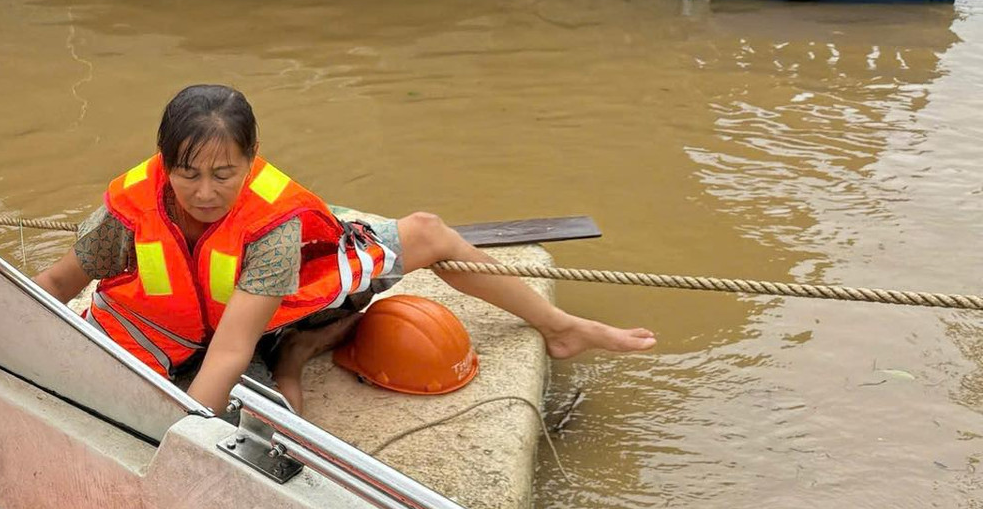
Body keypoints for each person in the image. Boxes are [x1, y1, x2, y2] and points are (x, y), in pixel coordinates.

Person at [33, 84, 655, 416]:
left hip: (250, 321)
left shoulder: (270, 226)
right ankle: (293, 361)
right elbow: (58, 283)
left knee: (429, 231)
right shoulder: (128, 210)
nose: (204, 192)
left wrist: (181, 436)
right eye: (188, 173)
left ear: (251, 164)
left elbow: (230, 349)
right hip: (168, 336)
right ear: (164, 164)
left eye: (224, 174)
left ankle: (561, 326)